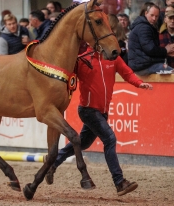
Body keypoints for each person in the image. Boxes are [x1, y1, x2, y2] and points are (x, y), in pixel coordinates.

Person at [44, 45, 153, 196]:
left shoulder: (113, 57)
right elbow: (66, 75)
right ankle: (119, 182)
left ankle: (52, 163)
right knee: (110, 139)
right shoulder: (82, 59)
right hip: (88, 111)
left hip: (102, 112)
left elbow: (127, 73)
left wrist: (139, 83)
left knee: (84, 143)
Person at [128, 4, 174, 75]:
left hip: (141, 64)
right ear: (146, 13)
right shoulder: (144, 27)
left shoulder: (142, 26)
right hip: (144, 65)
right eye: (152, 15)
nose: (154, 18)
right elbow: (150, 49)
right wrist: (166, 50)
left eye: (156, 16)